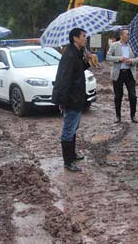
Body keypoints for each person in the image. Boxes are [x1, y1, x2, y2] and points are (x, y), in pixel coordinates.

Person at [52, 28, 90, 172]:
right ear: (75, 38)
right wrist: (62, 101)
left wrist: (86, 61)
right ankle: (67, 162)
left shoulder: (77, 53)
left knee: (74, 128)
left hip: (78, 97)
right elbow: (65, 79)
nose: (85, 39)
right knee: (68, 130)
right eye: (83, 36)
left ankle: (72, 155)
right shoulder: (69, 55)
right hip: (71, 99)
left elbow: (77, 72)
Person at [106, 29, 138, 123]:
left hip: (130, 73)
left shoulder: (133, 45)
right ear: (121, 36)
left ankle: (133, 116)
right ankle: (118, 116)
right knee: (118, 96)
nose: (129, 36)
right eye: (127, 34)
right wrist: (119, 58)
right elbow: (108, 57)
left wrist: (131, 61)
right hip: (118, 73)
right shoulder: (114, 45)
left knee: (133, 96)